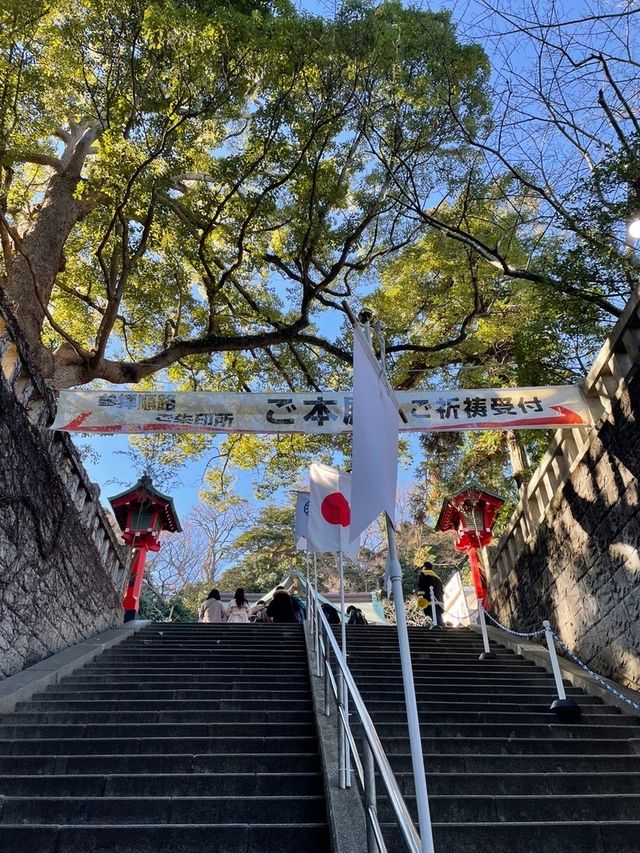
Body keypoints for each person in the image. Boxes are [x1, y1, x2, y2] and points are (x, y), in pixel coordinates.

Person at [416, 562, 446, 628]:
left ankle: (440, 627)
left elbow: (421, 586)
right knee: (437, 614)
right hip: (439, 600)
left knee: (432, 614)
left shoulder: (423, 574)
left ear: (424, 567)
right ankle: (441, 626)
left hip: (428, 599)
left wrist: (420, 597)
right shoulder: (437, 577)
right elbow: (442, 590)